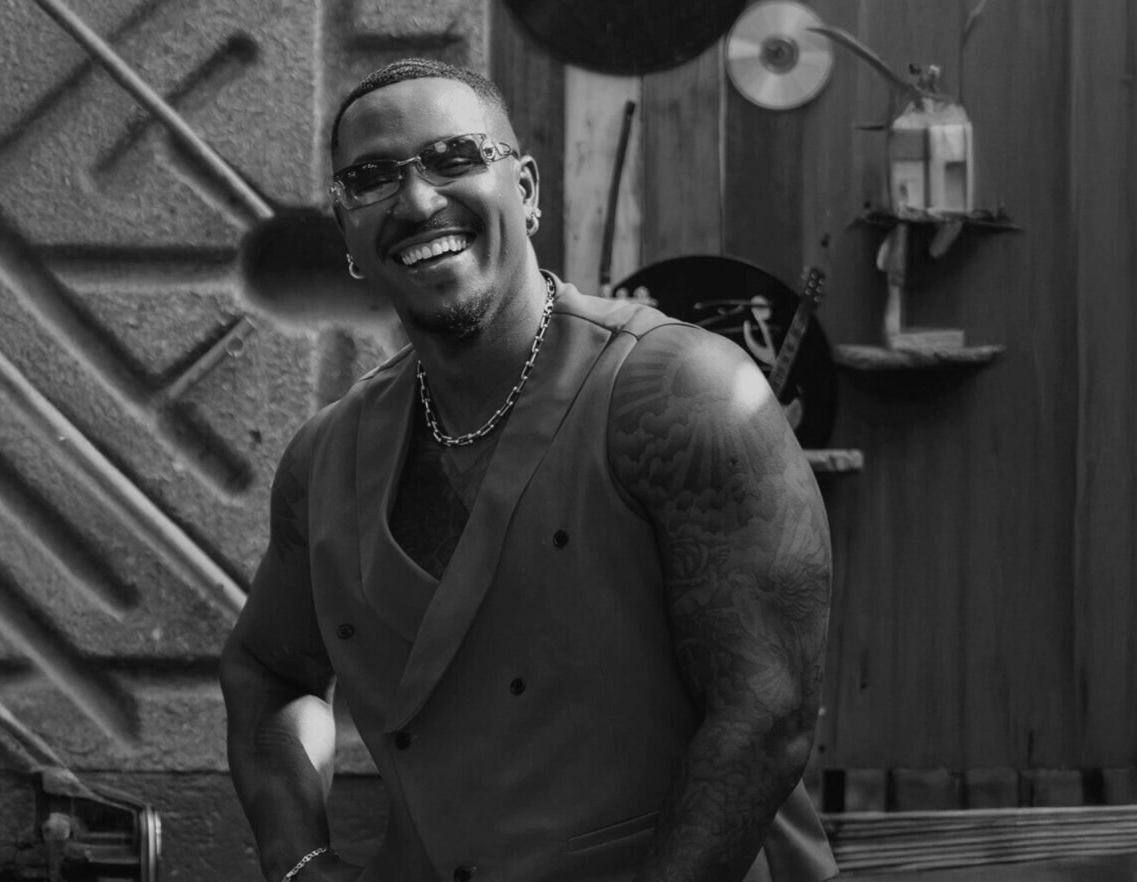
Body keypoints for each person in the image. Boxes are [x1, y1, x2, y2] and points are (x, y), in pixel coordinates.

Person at [221, 57, 837, 882]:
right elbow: (268, 671)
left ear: (528, 189)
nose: (417, 201)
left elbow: (769, 717)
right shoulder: (323, 462)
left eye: (454, 158)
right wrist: (297, 860)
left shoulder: (684, 395)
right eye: (372, 178)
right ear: (349, 236)